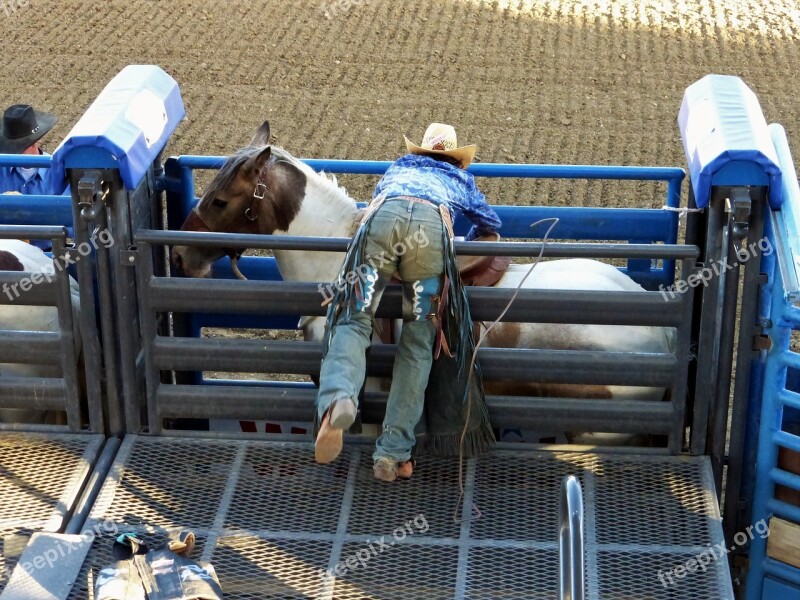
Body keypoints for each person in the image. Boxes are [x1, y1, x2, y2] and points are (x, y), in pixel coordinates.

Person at [314, 122, 501, 482]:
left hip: (384, 220)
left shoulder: (400, 167)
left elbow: (371, 206)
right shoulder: (461, 179)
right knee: (418, 340)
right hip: (429, 235)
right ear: (456, 159)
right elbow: (490, 223)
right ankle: (391, 454)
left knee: (354, 317)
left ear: (420, 151)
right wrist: (470, 237)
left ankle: (339, 400)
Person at [0, 104, 66, 196]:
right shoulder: (2, 168)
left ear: (36, 142)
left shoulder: (58, 173)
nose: (16, 152)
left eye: (22, 146)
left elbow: (65, 207)